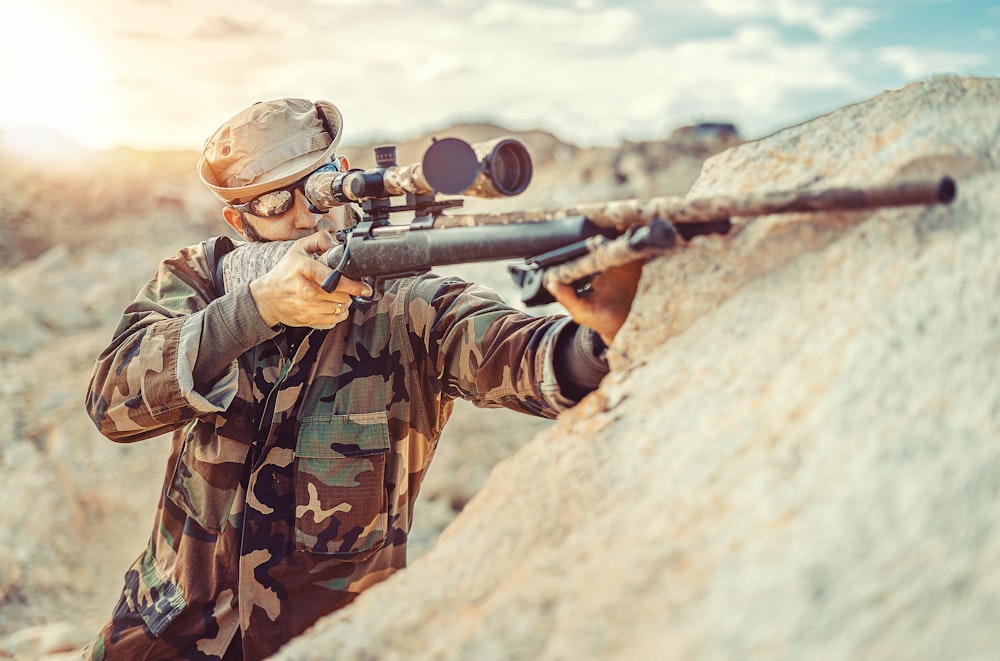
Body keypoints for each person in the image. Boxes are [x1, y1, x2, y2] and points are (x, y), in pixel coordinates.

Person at [84, 98, 643, 660]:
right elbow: (111, 400)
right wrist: (256, 309)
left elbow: (522, 355)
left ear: (346, 181)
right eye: (278, 201)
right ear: (240, 219)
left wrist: (606, 333)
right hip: (163, 629)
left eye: (321, 187)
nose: (307, 215)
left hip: (323, 645)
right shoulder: (202, 278)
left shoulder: (408, 304)